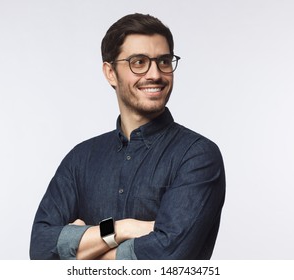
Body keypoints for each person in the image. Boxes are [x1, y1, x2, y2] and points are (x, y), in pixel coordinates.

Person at [30, 13, 225, 260]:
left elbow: (167, 257)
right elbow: (40, 250)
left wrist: (80, 250)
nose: (155, 74)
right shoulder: (81, 159)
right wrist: (124, 229)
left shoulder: (197, 155)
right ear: (110, 73)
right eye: (139, 62)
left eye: (164, 61)